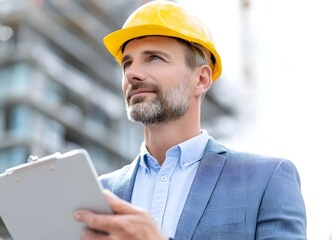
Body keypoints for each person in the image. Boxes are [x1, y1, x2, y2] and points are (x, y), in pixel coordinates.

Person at [74, 1, 306, 239]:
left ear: (201, 79)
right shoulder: (99, 193)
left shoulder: (267, 179)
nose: (132, 73)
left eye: (153, 58)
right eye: (127, 63)